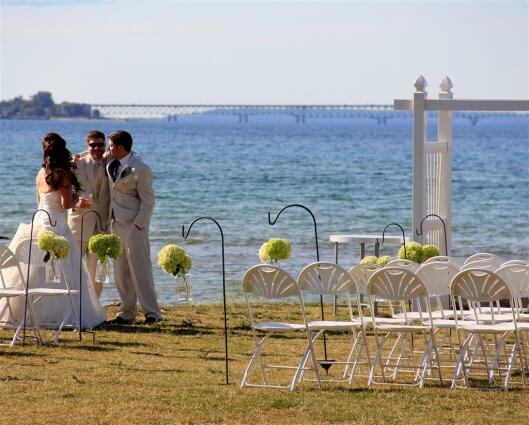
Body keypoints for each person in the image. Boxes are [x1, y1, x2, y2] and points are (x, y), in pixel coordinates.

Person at [0, 133, 106, 330]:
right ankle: (61, 315)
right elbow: (65, 204)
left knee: (36, 271)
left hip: (40, 223)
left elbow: (40, 201)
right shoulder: (63, 174)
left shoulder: (41, 173)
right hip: (57, 226)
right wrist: (76, 199)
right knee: (62, 272)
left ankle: (29, 314)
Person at [106, 130, 161, 324]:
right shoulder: (110, 162)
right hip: (116, 223)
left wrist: (139, 224)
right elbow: (91, 154)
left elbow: (148, 200)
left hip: (134, 225)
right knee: (120, 270)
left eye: (111, 145)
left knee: (140, 269)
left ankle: (152, 313)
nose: (108, 148)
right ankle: (126, 312)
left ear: (121, 147)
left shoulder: (141, 168)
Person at [68, 130, 110, 298]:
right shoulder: (75, 164)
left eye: (100, 144)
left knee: (99, 273)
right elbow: (65, 190)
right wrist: (75, 201)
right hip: (79, 223)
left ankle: (94, 310)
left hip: (102, 226)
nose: (97, 148)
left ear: (105, 145)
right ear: (87, 145)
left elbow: (130, 154)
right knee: (72, 270)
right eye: (93, 145)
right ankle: (72, 308)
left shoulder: (111, 163)